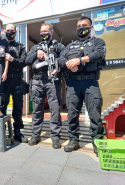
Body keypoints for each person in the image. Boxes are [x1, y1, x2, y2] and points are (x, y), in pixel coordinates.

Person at [59, 16, 106, 155]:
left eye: (84, 25)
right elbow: (61, 58)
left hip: (90, 82)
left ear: (90, 28)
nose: (81, 27)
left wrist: (79, 60)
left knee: (94, 113)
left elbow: (99, 54)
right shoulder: (70, 45)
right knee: (72, 114)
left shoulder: (97, 41)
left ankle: (97, 142)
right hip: (73, 83)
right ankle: (74, 140)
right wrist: (69, 64)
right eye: (79, 25)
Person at [25, 23, 64, 149]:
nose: (43, 33)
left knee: (55, 109)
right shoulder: (36, 46)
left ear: (51, 32)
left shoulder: (58, 46)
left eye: (46, 31)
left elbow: (65, 59)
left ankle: (55, 137)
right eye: (41, 31)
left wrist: (56, 67)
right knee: (37, 110)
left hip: (52, 81)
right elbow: (27, 60)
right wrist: (36, 52)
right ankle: (36, 135)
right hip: (37, 82)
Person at [1, 23, 28, 143]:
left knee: (18, 107)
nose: (10, 32)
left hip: (17, 79)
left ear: (16, 32)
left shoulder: (20, 46)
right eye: (8, 30)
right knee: (3, 105)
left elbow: (25, 61)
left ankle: (17, 132)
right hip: (4, 80)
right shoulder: (0, 45)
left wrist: (13, 59)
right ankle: (2, 131)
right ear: (4, 31)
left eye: (12, 30)